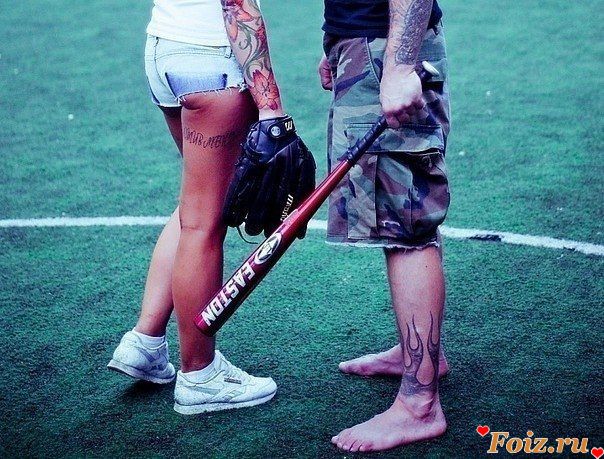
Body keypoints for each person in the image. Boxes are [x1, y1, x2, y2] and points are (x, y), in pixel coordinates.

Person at [107, 0, 299, 415]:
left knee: (195, 208)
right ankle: (200, 376)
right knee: (204, 222)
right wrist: (271, 108)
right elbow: (237, 5)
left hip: (163, 49)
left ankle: (145, 342)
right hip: (211, 61)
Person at [318, 0, 452, 452]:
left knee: (406, 229)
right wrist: (338, 41)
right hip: (370, 46)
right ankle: (420, 356)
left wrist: (397, 65)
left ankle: (419, 404)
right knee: (403, 214)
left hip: (385, 52)